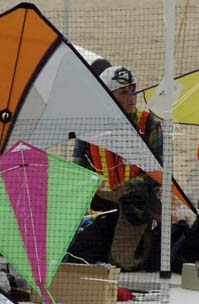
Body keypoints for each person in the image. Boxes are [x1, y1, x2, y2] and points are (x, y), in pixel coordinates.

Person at [68, 64, 163, 272]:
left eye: (133, 91)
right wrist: (94, 192)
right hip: (103, 203)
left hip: (136, 204)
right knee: (77, 254)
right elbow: (78, 171)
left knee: (125, 261)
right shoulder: (87, 127)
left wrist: (129, 186)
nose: (131, 97)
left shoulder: (149, 124)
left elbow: (160, 170)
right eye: (123, 92)